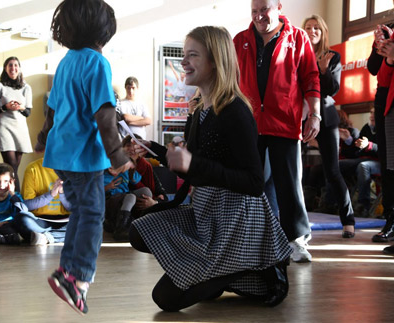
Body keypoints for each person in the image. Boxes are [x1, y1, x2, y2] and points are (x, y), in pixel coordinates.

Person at [130, 25, 292, 312]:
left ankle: (251, 265)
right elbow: (194, 170)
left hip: (236, 220)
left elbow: (254, 182)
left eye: (192, 55)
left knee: (165, 299)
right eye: (184, 55)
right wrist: (154, 149)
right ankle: (218, 274)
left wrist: (193, 163)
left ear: (215, 61)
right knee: (138, 232)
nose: (183, 62)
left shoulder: (235, 111)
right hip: (208, 211)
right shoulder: (199, 110)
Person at [42, 0, 132, 315]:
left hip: (61, 153)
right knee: (93, 214)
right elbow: (105, 118)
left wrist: (44, 136)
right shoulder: (97, 63)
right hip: (83, 155)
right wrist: (119, 155)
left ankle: (66, 271)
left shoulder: (66, 61)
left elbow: (51, 108)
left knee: (80, 212)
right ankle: (78, 278)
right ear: (101, 29)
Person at [234, 0, 321, 263]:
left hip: (285, 122)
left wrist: (314, 113)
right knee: (248, 184)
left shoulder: (298, 37)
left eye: (265, 10)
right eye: (255, 11)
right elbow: (227, 77)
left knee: (289, 184)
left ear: (279, 7)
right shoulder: (240, 40)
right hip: (249, 123)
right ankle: (249, 240)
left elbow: (311, 77)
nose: (260, 16)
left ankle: (296, 240)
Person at [302, 14, 355, 238]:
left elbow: (333, 89)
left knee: (332, 170)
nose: (312, 31)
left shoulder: (332, 56)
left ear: (323, 32)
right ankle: (296, 220)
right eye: (308, 28)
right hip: (299, 116)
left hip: (325, 116)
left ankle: (348, 220)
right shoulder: (298, 56)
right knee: (296, 172)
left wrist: (323, 70)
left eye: (316, 28)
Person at [368, 23, 394, 244]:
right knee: (388, 163)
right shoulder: (387, 29)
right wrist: (380, 46)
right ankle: (390, 219)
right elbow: (372, 67)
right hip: (385, 97)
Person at [0, 56, 33, 192]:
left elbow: (28, 112)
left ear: (19, 68)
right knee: (11, 165)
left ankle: (11, 199)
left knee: (13, 168)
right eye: (10, 65)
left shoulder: (26, 87)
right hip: (4, 126)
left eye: (16, 65)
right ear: (5, 68)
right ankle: (17, 200)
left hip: (20, 128)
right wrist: (6, 107)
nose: (13, 68)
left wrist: (20, 108)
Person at [19, 158, 71, 245]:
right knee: (21, 219)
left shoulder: (72, 169)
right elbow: (27, 205)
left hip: (65, 221)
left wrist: (62, 193)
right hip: (40, 220)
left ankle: (45, 237)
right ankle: (55, 236)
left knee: (86, 221)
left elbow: (74, 208)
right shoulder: (33, 168)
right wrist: (51, 194)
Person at [354, 108, 380, 217]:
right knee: (337, 165)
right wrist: (351, 142)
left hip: (381, 162)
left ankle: (363, 205)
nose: (372, 115)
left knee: (363, 166)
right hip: (365, 159)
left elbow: (385, 151)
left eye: (375, 113)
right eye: (371, 112)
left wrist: (369, 146)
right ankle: (330, 203)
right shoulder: (366, 127)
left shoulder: (386, 127)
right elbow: (355, 152)